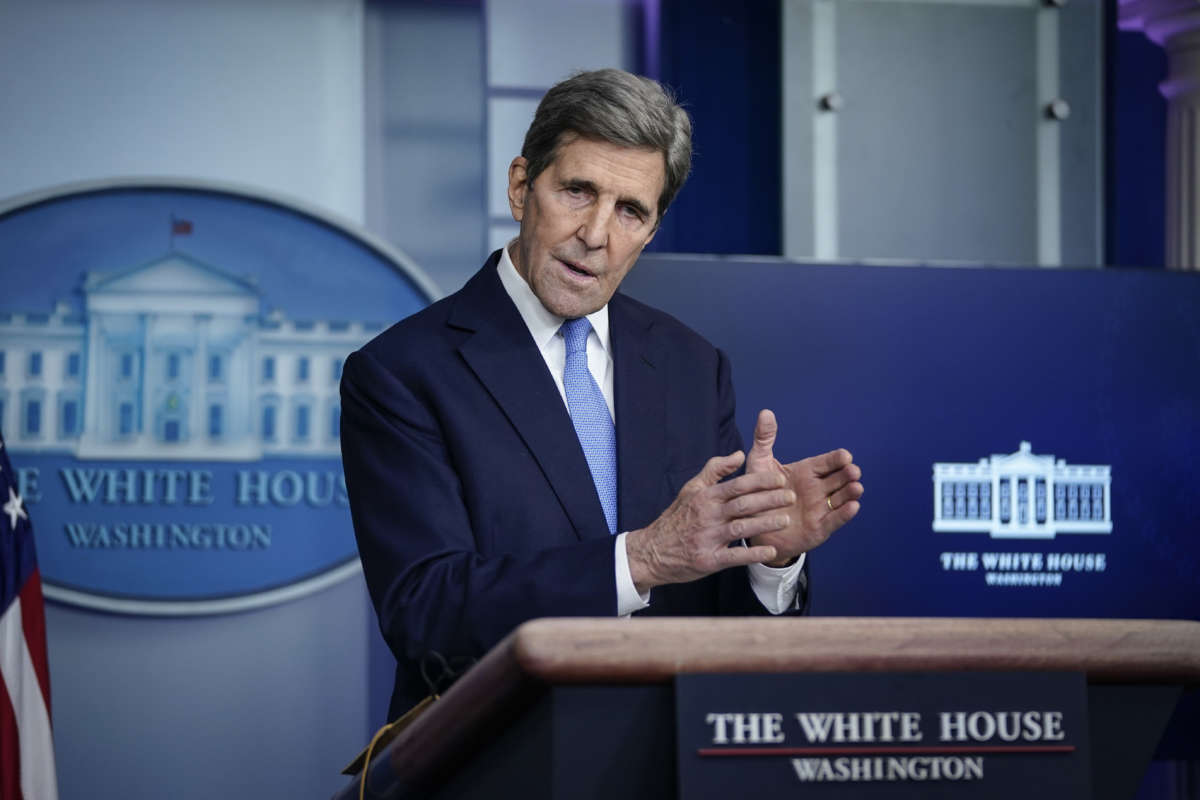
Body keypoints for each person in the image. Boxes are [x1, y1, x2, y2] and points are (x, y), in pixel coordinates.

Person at [340, 68, 863, 721]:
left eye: (630, 210)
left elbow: (719, 621)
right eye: (577, 192)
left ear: (651, 229)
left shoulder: (693, 366)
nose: (596, 233)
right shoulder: (403, 371)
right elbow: (427, 613)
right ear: (520, 187)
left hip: (673, 761)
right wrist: (641, 559)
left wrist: (771, 557)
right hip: (495, 758)